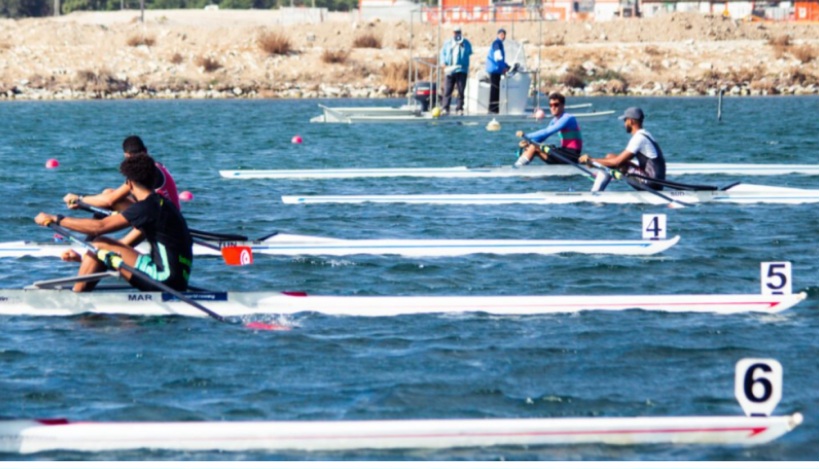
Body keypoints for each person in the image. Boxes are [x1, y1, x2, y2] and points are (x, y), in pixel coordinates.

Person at [35, 154, 193, 293]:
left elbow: (100, 227)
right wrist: (84, 259)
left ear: (129, 183)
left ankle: (77, 297)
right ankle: (85, 274)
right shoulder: (163, 204)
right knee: (104, 246)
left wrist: (57, 219)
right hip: (177, 279)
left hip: (164, 279)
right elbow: (120, 250)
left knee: (100, 243)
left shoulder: (146, 207)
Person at [63, 135, 180, 213]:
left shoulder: (142, 170)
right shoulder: (155, 165)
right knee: (108, 192)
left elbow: (111, 200)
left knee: (112, 200)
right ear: (145, 150)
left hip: (163, 216)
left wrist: (79, 199)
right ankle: (95, 238)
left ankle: (96, 239)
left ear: (126, 156)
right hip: (165, 210)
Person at [578, 106, 667, 191]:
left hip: (651, 183)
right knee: (610, 156)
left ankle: (595, 193)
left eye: (625, 120)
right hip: (654, 181)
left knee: (613, 161)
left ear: (631, 121)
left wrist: (592, 161)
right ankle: (596, 192)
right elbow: (620, 160)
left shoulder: (639, 138)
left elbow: (617, 162)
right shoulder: (646, 134)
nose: (624, 124)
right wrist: (595, 162)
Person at [514, 92, 582, 166]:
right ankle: (520, 168)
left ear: (562, 106)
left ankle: (517, 167)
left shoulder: (568, 118)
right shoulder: (554, 121)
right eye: (550, 105)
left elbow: (547, 131)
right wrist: (527, 142)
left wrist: (526, 135)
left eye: (556, 105)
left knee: (535, 147)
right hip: (563, 152)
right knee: (532, 146)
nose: (553, 107)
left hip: (572, 154)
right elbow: (543, 137)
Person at [439, 25, 472, 116]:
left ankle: (459, 108)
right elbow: (443, 53)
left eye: (458, 32)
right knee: (447, 90)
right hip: (450, 69)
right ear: (453, 33)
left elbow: (469, 52)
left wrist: (463, 45)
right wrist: (443, 63)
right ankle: (445, 107)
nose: (457, 34)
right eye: (455, 32)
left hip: (461, 70)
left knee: (461, 91)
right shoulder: (448, 43)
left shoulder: (466, 43)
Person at [486, 28, 510, 114]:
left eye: (504, 35)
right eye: (501, 34)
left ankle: (494, 109)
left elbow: (500, 59)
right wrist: (503, 67)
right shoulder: (497, 43)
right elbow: (498, 56)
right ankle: (493, 110)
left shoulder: (499, 43)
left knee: (496, 90)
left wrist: (506, 65)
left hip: (496, 69)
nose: (502, 36)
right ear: (498, 35)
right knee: (494, 90)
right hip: (494, 70)